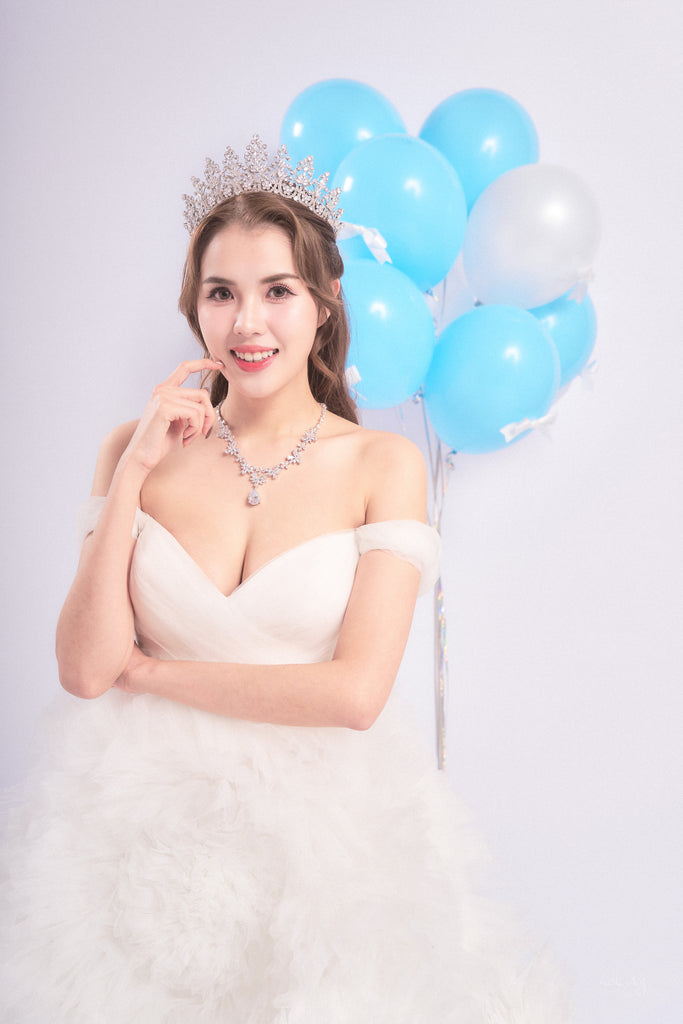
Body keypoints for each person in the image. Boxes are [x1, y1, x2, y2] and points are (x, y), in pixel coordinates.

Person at [1, 138, 570, 1023]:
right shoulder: (132, 449)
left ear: (323, 301)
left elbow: (355, 694)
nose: (246, 323)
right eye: (220, 293)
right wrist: (134, 469)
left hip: (318, 838)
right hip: (132, 830)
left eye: (277, 291)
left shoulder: (380, 464)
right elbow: (83, 669)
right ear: (193, 305)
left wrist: (150, 675)